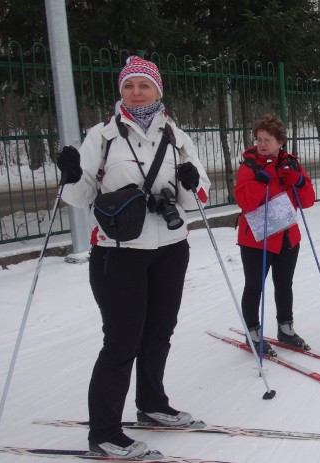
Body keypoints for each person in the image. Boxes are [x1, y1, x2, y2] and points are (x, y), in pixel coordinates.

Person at [55, 56, 211, 458]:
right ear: (121, 92)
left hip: (170, 248)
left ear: (158, 91)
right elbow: (80, 196)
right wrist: (71, 175)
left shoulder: (177, 136)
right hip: (118, 254)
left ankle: (152, 405)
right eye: (129, 86)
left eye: (144, 86)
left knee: (160, 331)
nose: (137, 92)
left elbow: (198, 197)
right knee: (122, 341)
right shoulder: (102, 137)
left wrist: (191, 184)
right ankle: (104, 433)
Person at [235, 114, 316, 356]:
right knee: (254, 286)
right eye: (259, 139)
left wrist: (299, 180)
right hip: (256, 240)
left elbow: (308, 201)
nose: (261, 144)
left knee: (284, 284)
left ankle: (286, 328)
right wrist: (261, 179)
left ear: (280, 141)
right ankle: (253, 331)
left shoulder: (291, 163)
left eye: (267, 140)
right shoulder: (250, 165)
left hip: (287, 237)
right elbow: (244, 201)